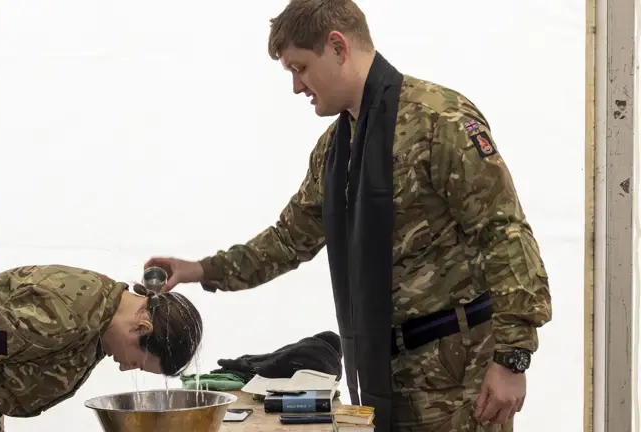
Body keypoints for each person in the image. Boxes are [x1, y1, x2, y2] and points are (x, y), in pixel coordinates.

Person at [144, 0, 552, 431]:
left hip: (459, 381)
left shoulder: (439, 121)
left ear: (337, 46)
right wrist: (199, 270)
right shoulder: (335, 151)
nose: (298, 87)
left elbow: (503, 234)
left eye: (299, 68)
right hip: (383, 377)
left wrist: (512, 358)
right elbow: (287, 241)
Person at [0, 264, 203, 431]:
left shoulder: (103, 318)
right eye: (138, 363)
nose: (125, 367)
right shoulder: (58, 318)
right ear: (141, 327)